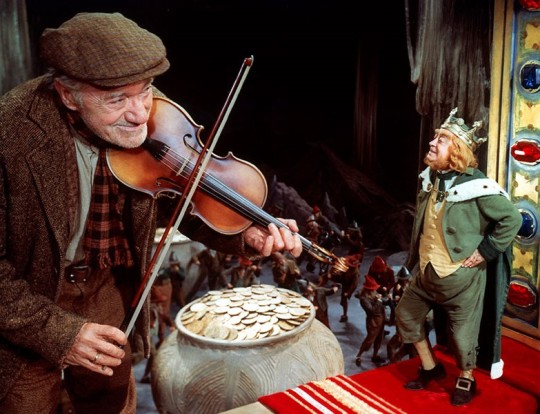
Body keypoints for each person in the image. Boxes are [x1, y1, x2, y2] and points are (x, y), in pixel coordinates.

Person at [0, 12, 302, 413]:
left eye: (144, 91)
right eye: (117, 100)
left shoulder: (154, 114)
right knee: (26, 404)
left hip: (105, 286)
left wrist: (242, 231)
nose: (141, 114)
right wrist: (58, 334)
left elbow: (179, 198)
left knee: (110, 400)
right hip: (29, 297)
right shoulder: (10, 133)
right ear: (69, 96)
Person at [395, 108, 521, 406]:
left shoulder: (477, 186)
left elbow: (512, 219)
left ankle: (466, 377)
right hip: (426, 273)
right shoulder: (430, 179)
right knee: (406, 315)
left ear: (457, 150)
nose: (432, 142)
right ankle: (431, 367)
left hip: (461, 280)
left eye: (441, 139)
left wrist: (486, 251)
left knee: (463, 339)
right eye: (435, 136)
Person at [354, 275, 388, 367]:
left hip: (381, 319)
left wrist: (385, 295)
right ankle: (358, 356)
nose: (375, 290)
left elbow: (383, 300)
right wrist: (378, 301)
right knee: (369, 340)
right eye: (373, 289)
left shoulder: (374, 293)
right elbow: (372, 311)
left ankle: (375, 355)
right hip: (373, 322)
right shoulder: (364, 299)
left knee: (379, 339)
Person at [332, 253, 361, 323]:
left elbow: (354, 284)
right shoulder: (347, 266)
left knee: (344, 301)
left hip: (348, 286)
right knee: (343, 301)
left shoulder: (355, 273)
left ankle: (345, 315)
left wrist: (348, 292)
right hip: (344, 281)